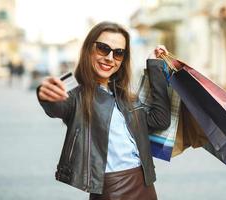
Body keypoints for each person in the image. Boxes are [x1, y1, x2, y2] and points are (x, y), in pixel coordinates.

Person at [37, 21, 171, 200]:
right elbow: (56, 106)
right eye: (102, 48)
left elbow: (160, 120)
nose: (109, 58)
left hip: (145, 185)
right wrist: (44, 94)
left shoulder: (126, 96)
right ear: (88, 49)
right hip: (111, 191)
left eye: (118, 53)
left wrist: (154, 66)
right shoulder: (77, 94)